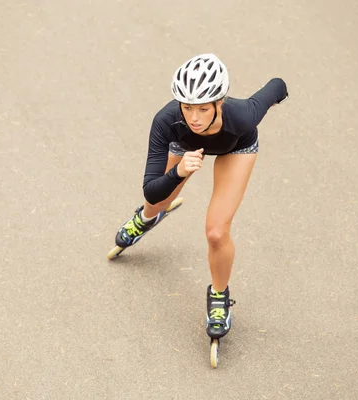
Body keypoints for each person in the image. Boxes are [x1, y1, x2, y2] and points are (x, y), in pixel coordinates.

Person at [113, 53, 288, 340]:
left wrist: (283, 90)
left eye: (203, 109)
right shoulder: (166, 122)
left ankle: (219, 296)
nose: (194, 118)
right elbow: (151, 186)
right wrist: (179, 171)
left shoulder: (243, 115)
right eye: (187, 108)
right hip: (182, 148)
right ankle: (145, 219)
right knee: (156, 200)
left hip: (236, 148)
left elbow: (276, 86)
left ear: (220, 102)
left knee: (217, 233)